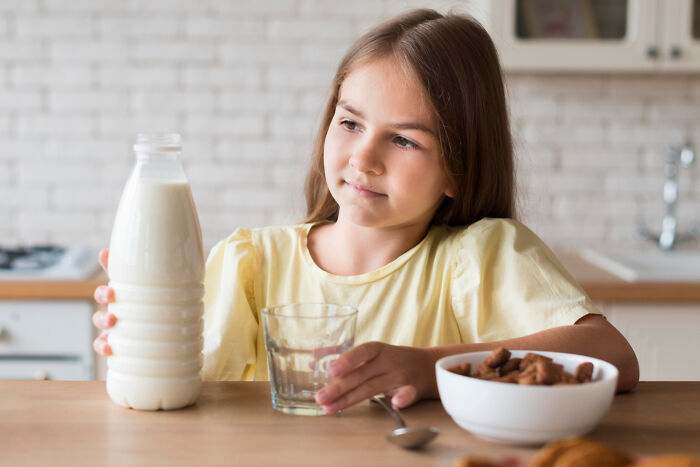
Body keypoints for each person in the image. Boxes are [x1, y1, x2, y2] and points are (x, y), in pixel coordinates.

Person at [92, 8, 639, 414]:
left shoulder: (480, 256)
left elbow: (613, 356)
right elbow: (182, 400)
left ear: (458, 168)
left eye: (403, 141)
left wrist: (429, 368)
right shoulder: (252, 263)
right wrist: (140, 338)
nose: (363, 158)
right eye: (350, 123)